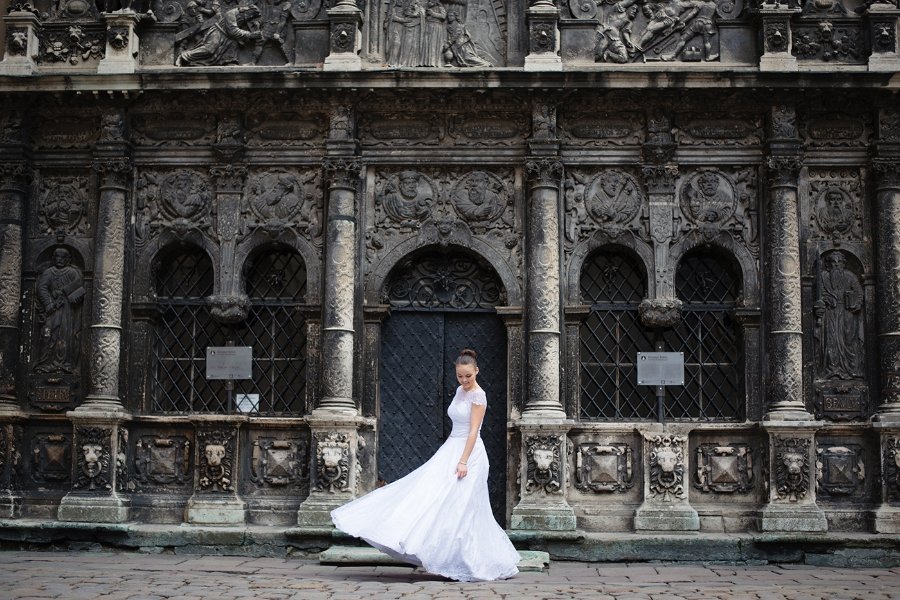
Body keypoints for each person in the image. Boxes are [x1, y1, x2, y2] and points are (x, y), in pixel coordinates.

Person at [331, 349, 520, 582]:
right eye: (460, 376)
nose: (464, 380)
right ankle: (441, 553)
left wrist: (463, 461)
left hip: (469, 454)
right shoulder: (460, 391)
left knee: (464, 507)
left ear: (477, 371)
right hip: (451, 448)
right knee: (428, 495)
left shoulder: (478, 396)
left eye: (468, 376)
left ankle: (470, 561)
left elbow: (473, 432)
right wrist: (451, 452)